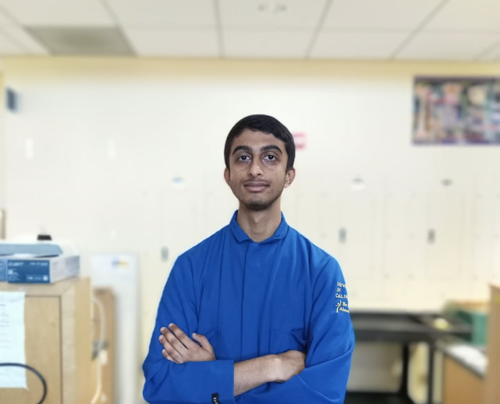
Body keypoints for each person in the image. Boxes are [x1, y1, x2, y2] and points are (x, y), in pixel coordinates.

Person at [142, 114, 355, 404]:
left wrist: (213, 378)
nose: (255, 169)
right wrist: (271, 367)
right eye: (243, 157)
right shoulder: (190, 269)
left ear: (289, 175)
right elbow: (160, 385)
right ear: (228, 174)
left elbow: (324, 394)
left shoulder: (321, 273)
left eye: (270, 157)